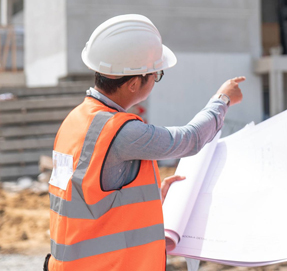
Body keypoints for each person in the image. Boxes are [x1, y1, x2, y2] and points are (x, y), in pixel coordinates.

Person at [45, 14, 245, 271]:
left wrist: (149, 196)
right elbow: (189, 139)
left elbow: (87, 195)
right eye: (156, 74)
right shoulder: (121, 131)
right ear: (132, 83)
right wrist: (222, 99)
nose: (155, 80)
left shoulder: (75, 121)